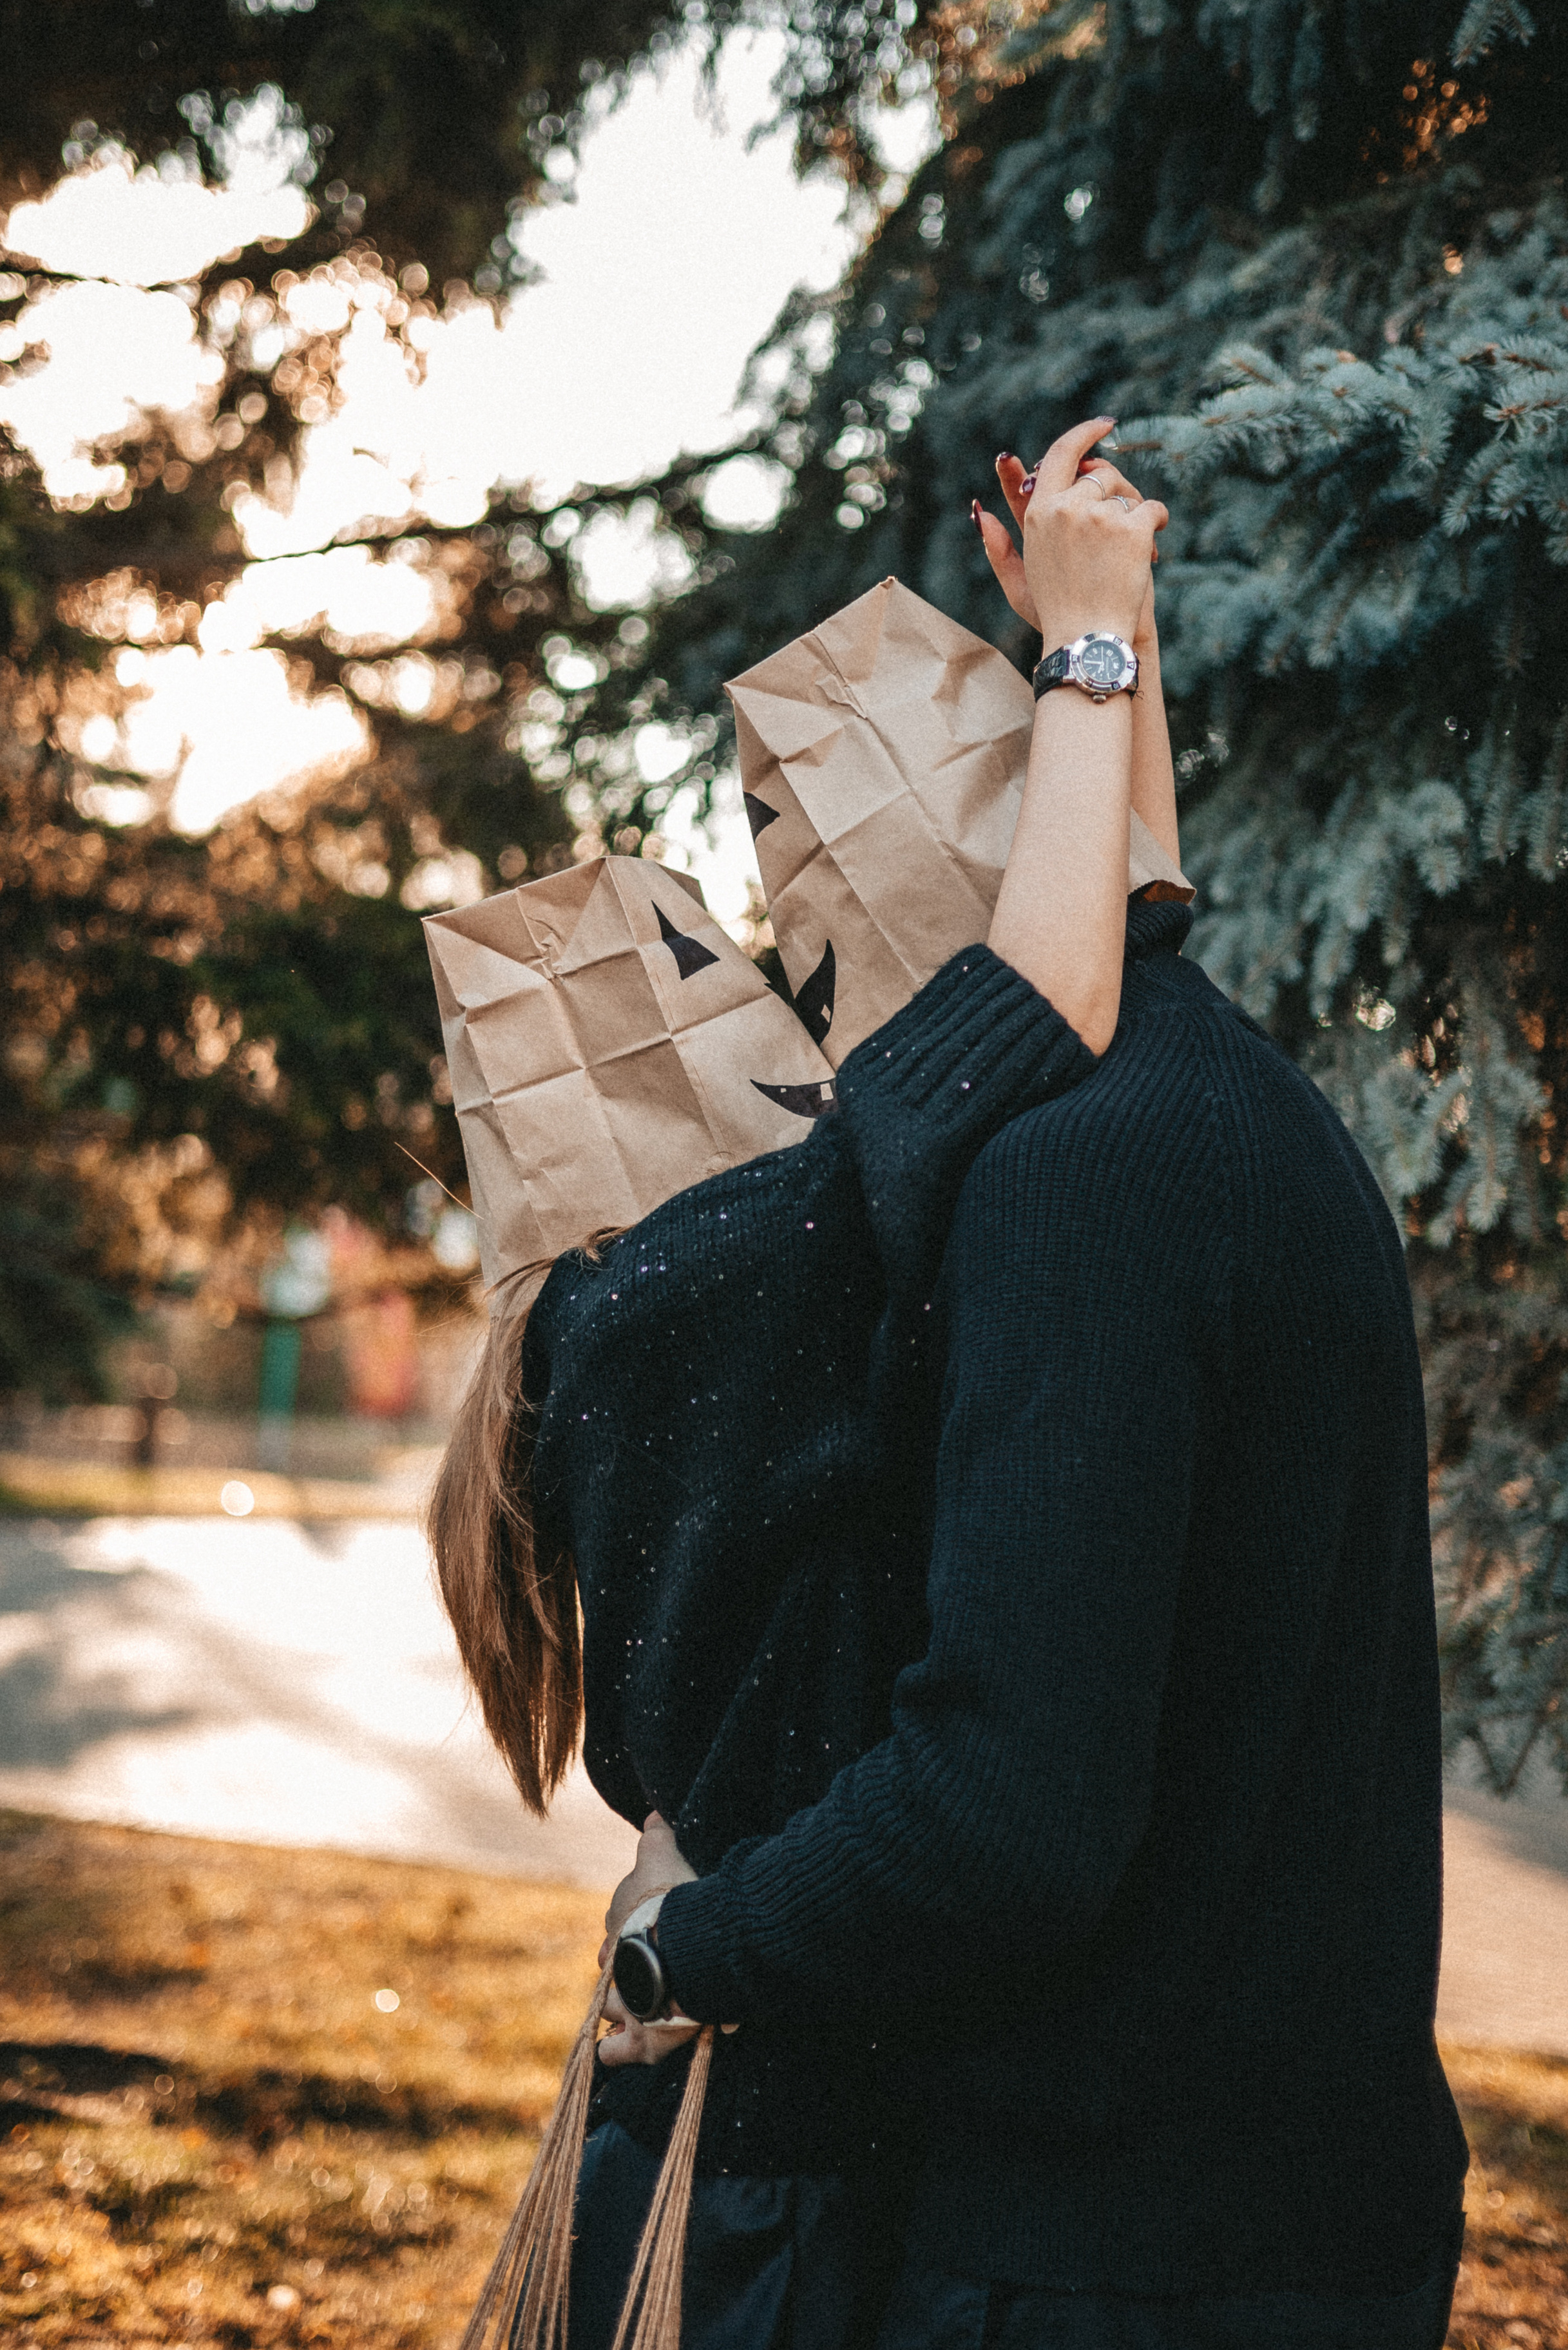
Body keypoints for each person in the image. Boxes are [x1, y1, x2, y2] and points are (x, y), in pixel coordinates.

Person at [596, 442, 1472, 2345]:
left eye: (814, 930)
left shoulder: (1066, 1183)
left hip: (1103, 2259)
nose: (820, 1003)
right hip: (1322, 2217)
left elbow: (1009, 1804)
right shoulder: (1264, 1119)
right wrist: (1099, 638)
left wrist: (689, 1944)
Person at [429, 419, 1176, 2346]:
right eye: (712, 962)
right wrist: (1095, 649)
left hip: (705, 2104)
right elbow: (1062, 1003)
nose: (776, 986)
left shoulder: (585, 1333)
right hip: (800, 2157)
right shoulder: (738, 1265)